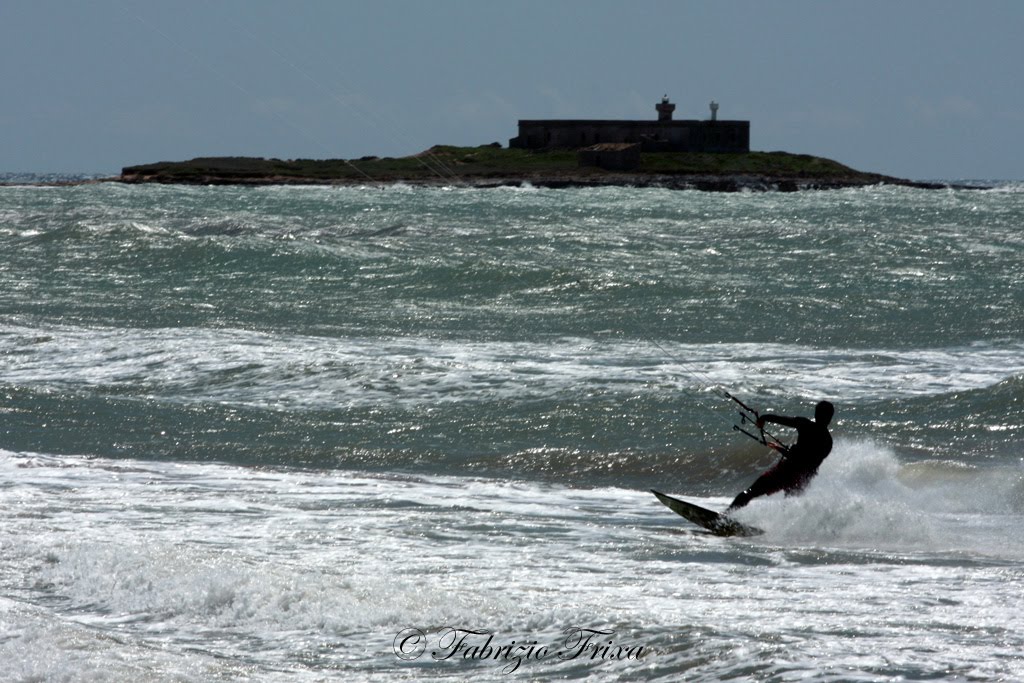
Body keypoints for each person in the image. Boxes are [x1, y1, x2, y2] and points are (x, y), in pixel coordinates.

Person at [726, 400, 834, 512]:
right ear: (830, 418)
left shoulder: (804, 424)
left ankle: (724, 517)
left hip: (786, 471)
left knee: (751, 492)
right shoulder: (828, 442)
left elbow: (779, 419)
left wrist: (763, 418)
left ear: (816, 414)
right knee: (789, 507)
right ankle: (784, 528)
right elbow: (809, 463)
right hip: (802, 479)